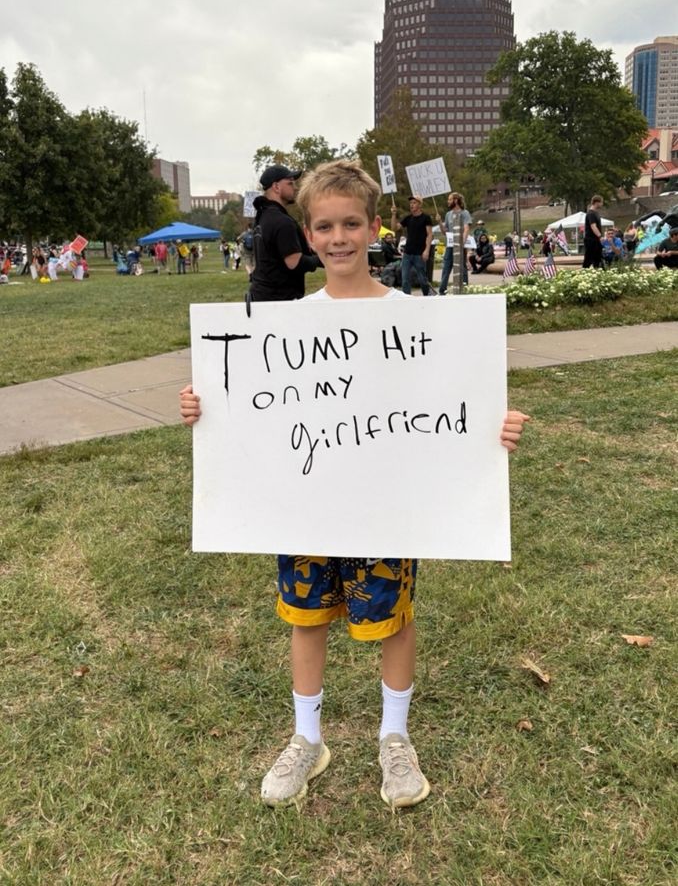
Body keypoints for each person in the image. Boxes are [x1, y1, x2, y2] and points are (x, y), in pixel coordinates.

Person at [179, 159, 530, 811]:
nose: (338, 237)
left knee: (391, 619)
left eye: (351, 223)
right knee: (307, 617)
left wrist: (494, 428)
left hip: (386, 508)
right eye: (323, 226)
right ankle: (307, 739)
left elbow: (449, 406)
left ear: (374, 227)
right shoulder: (286, 326)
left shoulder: (414, 319)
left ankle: (394, 737)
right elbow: (250, 409)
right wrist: (207, 412)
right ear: (306, 236)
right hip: (306, 507)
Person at [249, 165, 322, 301]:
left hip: (261, 296)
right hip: (279, 300)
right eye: (290, 183)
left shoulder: (262, 217)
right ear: (276, 187)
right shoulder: (282, 222)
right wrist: (323, 259)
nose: (294, 187)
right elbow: (294, 262)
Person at [398, 195, 434, 296]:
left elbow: (429, 235)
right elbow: (395, 227)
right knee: (405, 279)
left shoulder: (426, 218)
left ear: (419, 204)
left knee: (422, 280)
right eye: (410, 203)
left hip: (420, 254)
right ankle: (407, 299)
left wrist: (427, 250)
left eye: (414, 203)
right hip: (407, 253)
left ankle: (427, 296)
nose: (411, 205)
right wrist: (393, 214)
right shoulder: (408, 218)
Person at [582, 195, 605, 269]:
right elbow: (593, 226)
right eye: (601, 202)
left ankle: (598, 271)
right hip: (591, 239)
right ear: (596, 202)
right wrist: (600, 236)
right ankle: (584, 272)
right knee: (588, 258)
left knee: (597, 258)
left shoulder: (596, 213)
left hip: (596, 240)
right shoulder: (591, 213)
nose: (602, 204)